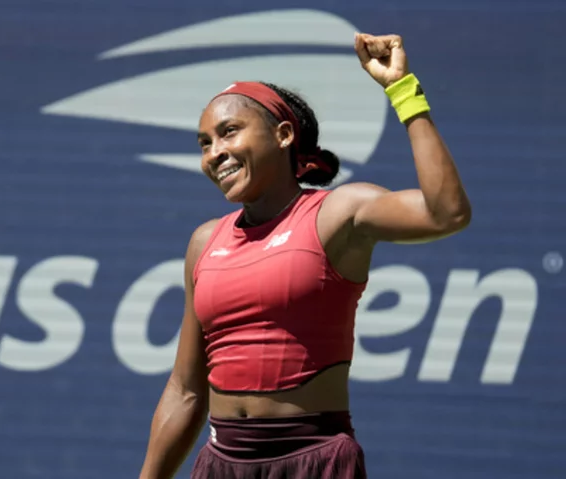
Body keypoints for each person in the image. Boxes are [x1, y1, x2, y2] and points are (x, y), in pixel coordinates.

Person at [138, 32, 471, 479]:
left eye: (229, 132)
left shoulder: (338, 214)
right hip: (220, 464)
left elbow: (446, 212)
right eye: (204, 143)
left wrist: (403, 91)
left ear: (283, 134)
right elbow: (185, 390)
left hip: (313, 461)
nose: (215, 153)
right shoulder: (204, 242)